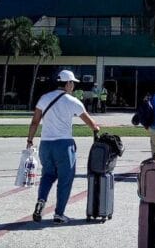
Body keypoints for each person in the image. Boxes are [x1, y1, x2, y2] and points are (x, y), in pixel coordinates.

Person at [27, 70, 99, 224]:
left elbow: (34, 122)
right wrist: (96, 130)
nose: (73, 86)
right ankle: (59, 214)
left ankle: (41, 201)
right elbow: (90, 122)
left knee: (47, 175)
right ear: (68, 83)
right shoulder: (73, 101)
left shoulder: (44, 98)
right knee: (65, 180)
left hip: (46, 144)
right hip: (64, 145)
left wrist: (30, 140)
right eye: (72, 83)